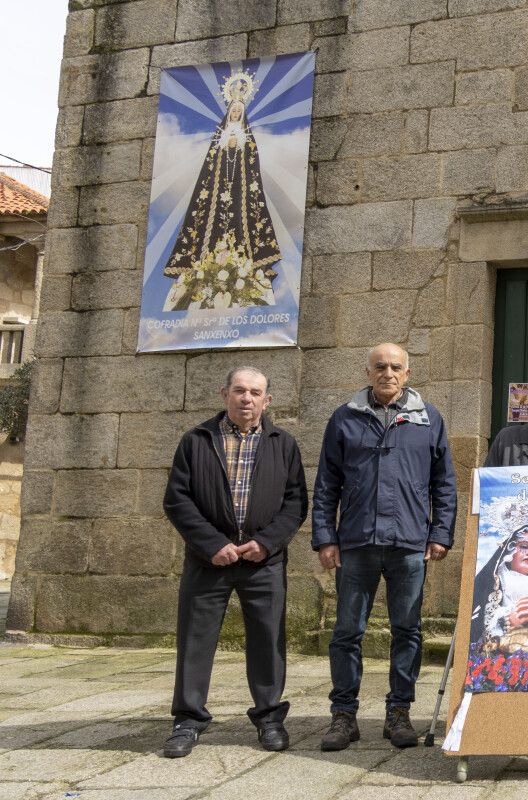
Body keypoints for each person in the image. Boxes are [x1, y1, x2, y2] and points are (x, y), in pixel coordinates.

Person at [312, 343, 457, 751]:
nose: (387, 373)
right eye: (380, 367)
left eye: (395, 367)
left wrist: (441, 534)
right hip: (356, 542)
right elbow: (326, 484)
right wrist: (325, 536)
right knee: (346, 632)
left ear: (407, 373)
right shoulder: (344, 418)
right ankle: (343, 716)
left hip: (409, 543)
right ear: (368, 371)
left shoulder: (428, 420)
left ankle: (399, 713)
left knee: (407, 630)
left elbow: (444, 484)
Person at [161, 367, 307, 758]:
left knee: (267, 640)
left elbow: (295, 503)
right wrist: (212, 544)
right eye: (239, 391)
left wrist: (266, 542)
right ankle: (188, 721)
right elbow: (177, 499)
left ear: (267, 400)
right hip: (209, 561)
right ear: (224, 393)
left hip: (263, 562)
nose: (247, 399)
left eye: (255, 392)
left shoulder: (283, 443)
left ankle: (269, 718)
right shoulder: (196, 441)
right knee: (195, 640)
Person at [162, 69, 281, 311]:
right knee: (210, 221)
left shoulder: (248, 137)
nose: (236, 113)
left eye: (239, 111)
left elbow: (252, 166)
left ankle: (245, 265)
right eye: (233, 111)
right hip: (217, 193)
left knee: (242, 219)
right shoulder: (219, 136)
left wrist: (240, 148)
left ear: (243, 114)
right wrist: (225, 146)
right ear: (229, 113)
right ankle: (203, 264)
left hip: (240, 191)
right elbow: (210, 166)